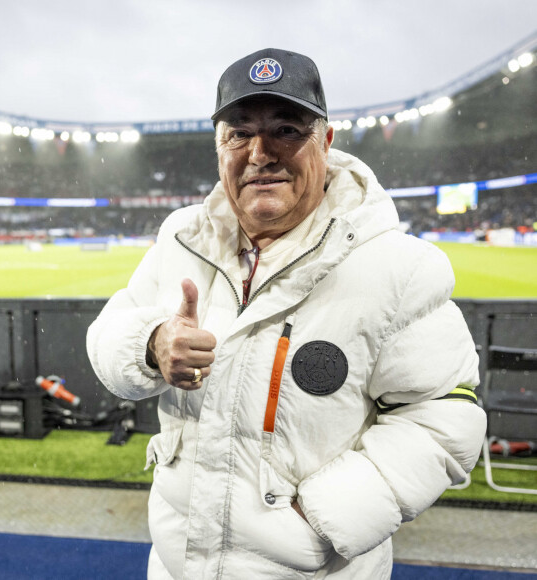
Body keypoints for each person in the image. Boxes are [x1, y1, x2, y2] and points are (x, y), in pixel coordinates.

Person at [87, 48, 486, 580]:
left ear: (325, 141)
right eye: (238, 133)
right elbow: (108, 334)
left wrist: (325, 517)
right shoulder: (181, 238)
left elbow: (447, 416)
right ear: (219, 148)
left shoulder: (399, 267)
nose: (260, 153)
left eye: (286, 130)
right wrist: (152, 343)